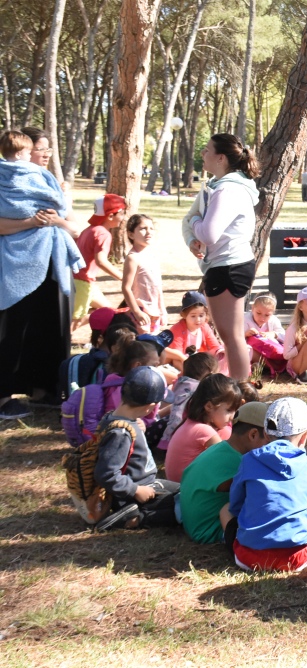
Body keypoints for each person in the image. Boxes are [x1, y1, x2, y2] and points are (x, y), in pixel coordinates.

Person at [0, 126, 84, 419]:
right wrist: (31, 223)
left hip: (53, 265)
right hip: (16, 267)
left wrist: (55, 221)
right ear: (23, 151)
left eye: (49, 149)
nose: (47, 154)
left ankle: (45, 390)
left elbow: (75, 228)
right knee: (13, 331)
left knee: (51, 328)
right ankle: (5, 394)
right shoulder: (4, 183)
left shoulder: (54, 186)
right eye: (41, 149)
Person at [222, 397, 307, 571]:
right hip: (295, 557)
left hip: (248, 558)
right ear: (304, 436)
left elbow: (236, 504)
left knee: (225, 509)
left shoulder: (248, 461)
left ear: (266, 434)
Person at [182, 133, 260, 381]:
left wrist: (196, 223)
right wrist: (192, 238)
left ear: (221, 157)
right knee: (232, 333)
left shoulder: (227, 189)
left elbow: (209, 233)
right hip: (231, 263)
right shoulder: (219, 185)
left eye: (207, 150)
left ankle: (239, 390)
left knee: (231, 335)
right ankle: (240, 388)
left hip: (228, 265)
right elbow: (191, 223)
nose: (203, 154)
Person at [92, 366, 180, 532]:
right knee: (184, 507)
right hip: (134, 491)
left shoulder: (117, 419)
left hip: (145, 483)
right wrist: (136, 490)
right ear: (150, 406)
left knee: (185, 492)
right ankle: (135, 517)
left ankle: (135, 512)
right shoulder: (121, 432)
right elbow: (106, 474)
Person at [180, 401, 271, 544]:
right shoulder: (241, 464)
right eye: (271, 439)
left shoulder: (220, 449)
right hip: (210, 531)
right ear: (253, 435)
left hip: (193, 525)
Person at [164, 373, 241, 482]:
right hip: (184, 491)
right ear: (209, 406)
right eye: (229, 410)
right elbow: (229, 462)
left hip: (180, 486)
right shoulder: (204, 431)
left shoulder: (190, 423)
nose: (232, 417)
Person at [71, 194, 126, 330]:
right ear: (110, 216)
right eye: (122, 213)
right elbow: (101, 261)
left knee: (108, 312)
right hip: (82, 283)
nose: (124, 217)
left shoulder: (89, 230)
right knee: (74, 321)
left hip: (85, 282)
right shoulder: (103, 234)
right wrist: (123, 278)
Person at [158, 352, 218, 452]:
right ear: (210, 373)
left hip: (168, 433)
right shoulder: (201, 389)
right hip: (183, 435)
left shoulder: (181, 383)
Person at [121, 214, 166, 334]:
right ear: (131, 234)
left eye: (151, 228)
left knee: (154, 346)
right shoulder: (132, 258)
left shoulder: (153, 256)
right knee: (143, 347)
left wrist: (162, 310)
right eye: (143, 229)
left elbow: (158, 287)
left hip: (154, 312)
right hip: (141, 312)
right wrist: (136, 311)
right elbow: (126, 288)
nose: (148, 232)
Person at [166, 291, 221, 368]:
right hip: (183, 360)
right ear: (184, 315)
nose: (198, 320)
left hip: (199, 360)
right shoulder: (177, 329)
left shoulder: (204, 327)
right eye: (193, 316)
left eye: (201, 315)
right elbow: (177, 354)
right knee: (177, 361)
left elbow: (215, 346)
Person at [244, 292, 286, 377]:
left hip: (269, 352)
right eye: (258, 313)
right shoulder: (245, 319)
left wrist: (274, 334)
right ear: (252, 308)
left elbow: (284, 336)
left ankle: (262, 366)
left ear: (272, 313)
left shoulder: (274, 320)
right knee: (247, 350)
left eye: (267, 315)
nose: (262, 318)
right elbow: (236, 337)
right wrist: (246, 334)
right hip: (253, 352)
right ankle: (271, 367)